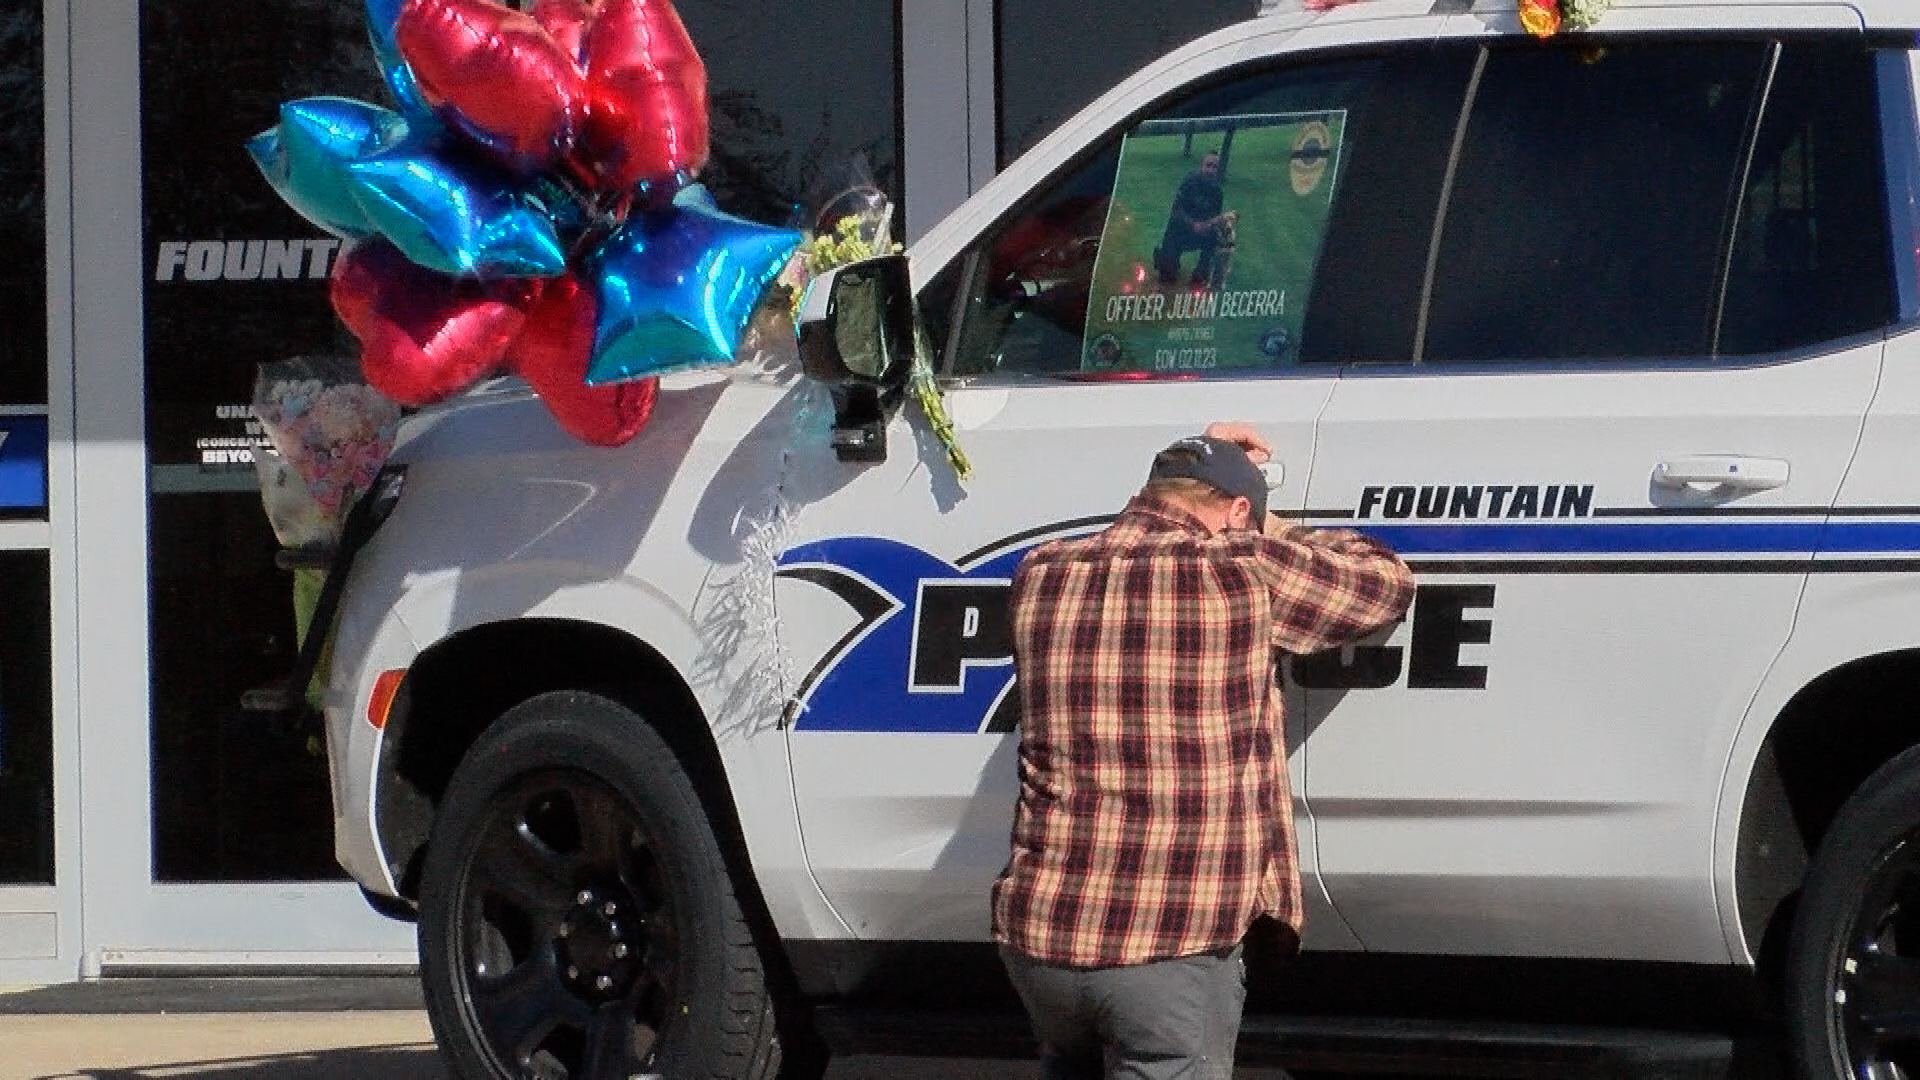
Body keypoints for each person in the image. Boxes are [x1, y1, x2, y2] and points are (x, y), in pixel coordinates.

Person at [991, 423, 1415, 1080]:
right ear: (1239, 512)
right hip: (1167, 940)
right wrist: (1274, 528)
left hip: (1040, 937)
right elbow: (1385, 580)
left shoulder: (1041, 572)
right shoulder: (1246, 566)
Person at [1153, 152, 1233, 286]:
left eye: (1215, 167)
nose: (1211, 170)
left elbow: (1215, 216)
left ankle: (1201, 273)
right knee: (1167, 279)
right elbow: (1176, 211)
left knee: (1215, 237)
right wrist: (1193, 224)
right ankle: (1163, 259)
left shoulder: (1217, 192)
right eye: (1208, 165)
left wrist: (1209, 225)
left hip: (1202, 231)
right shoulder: (1189, 182)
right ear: (1201, 166)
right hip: (1180, 230)